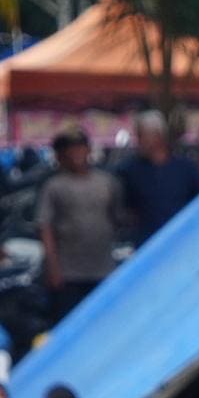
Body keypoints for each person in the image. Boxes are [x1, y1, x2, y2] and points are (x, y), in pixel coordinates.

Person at [37, 127, 127, 321]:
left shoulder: (107, 182)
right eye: (70, 150)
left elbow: (118, 217)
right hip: (69, 271)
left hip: (102, 267)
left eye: (80, 148)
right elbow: (45, 227)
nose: (76, 154)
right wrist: (53, 267)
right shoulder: (54, 186)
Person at [113, 108, 199, 246]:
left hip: (182, 240)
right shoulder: (130, 170)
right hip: (147, 242)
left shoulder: (186, 168)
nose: (139, 141)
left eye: (142, 136)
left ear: (158, 136)